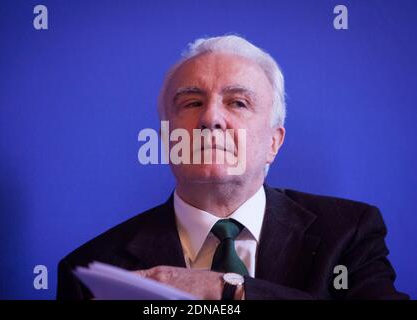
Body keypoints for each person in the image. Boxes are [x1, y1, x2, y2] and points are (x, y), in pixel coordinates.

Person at [57, 35, 408, 300]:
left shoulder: (350, 233)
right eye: (192, 102)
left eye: (238, 102)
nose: (211, 118)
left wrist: (228, 290)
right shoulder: (90, 270)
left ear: (274, 142)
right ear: (166, 138)